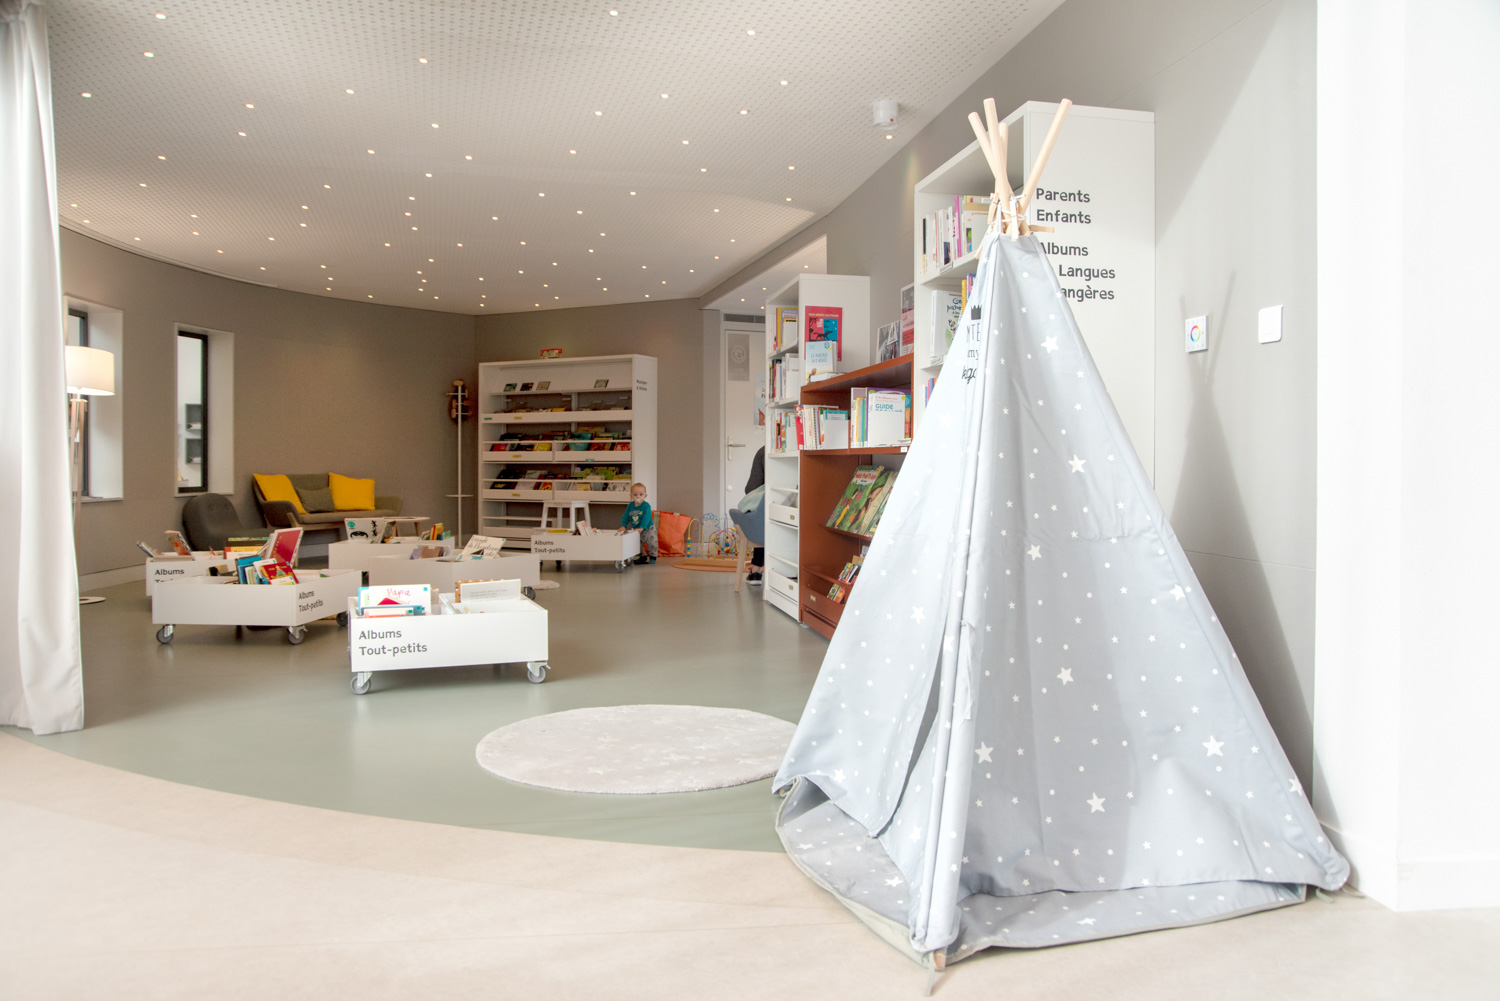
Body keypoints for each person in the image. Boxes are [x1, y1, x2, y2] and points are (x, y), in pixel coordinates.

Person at [618, 482, 656, 563]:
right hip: (636, 529)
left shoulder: (646, 506)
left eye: (641, 494)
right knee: (636, 543)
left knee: (652, 543)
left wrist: (642, 527)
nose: (638, 496)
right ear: (631, 496)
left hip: (648, 528)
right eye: (635, 495)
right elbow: (626, 516)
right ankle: (642, 556)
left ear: (645, 496)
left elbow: (646, 518)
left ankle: (653, 556)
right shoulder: (630, 506)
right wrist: (623, 525)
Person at [744, 446, 765, 583]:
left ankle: (756, 570)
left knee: (760, 514)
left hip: (766, 514)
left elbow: (751, 489)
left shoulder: (763, 451)